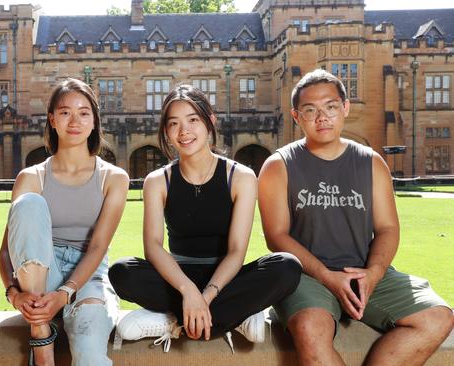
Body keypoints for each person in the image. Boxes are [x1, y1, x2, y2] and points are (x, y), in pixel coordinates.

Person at [258, 68, 454, 365]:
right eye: (310, 110)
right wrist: (327, 277)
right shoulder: (278, 166)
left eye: (331, 107)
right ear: (296, 116)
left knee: (438, 318)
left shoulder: (371, 162)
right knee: (310, 330)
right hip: (307, 277)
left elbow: (387, 228)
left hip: (365, 271)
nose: (322, 117)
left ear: (345, 108)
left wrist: (373, 274)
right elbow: (277, 237)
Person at [109, 85, 301, 352]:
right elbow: (153, 247)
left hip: (226, 279)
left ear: (210, 121)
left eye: (192, 120)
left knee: (287, 266)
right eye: (173, 123)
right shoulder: (158, 181)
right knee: (121, 272)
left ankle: (173, 322)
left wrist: (206, 296)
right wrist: (188, 291)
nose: (183, 131)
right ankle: (234, 317)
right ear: (166, 131)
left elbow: (236, 251)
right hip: (177, 280)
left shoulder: (241, 177)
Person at [0, 78, 129, 366]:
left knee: (90, 353)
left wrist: (64, 293)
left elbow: (97, 247)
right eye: (65, 112)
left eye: (84, 113)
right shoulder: (31, 177)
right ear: (52, 120)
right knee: (30, 203)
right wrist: (13, 294)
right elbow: (8, 251)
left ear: (94, 121)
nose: (75, 120)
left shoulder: (114, 178)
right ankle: (40, 329)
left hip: (90, 274)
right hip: (40, 272)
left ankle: (46, 325)